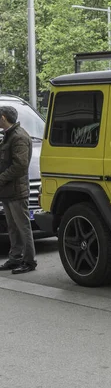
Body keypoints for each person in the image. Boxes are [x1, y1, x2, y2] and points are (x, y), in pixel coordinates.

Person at [0, 106, 36, 274]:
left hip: (16, 191)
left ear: (3, 117)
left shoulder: (18, 137)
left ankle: (29, 261)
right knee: (12, 226)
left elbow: (20, 166)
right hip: (8, 190)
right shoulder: (8, 136)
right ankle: (15, 258)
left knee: (23, 226)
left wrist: (1, 178)